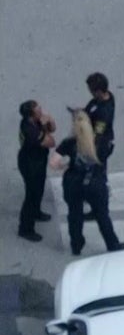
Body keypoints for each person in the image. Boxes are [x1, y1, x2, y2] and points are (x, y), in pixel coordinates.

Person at [53, 108, 124, 256]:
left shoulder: (69, 143)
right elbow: (108, 152)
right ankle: (112, 244)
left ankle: (76, 245)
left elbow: (54, 163)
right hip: (95, 183)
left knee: (74, 214)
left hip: (73, 183)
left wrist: (67, 165)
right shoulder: (101, 142)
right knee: (102, 215)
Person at [17, 100, 56, 242]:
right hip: (30, 164)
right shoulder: (30, 129)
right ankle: (25, 228)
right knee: (31, 195)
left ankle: (36, 212)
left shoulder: (35, 121)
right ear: (31, 114)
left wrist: (49, 121)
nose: (41, 109)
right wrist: (45, 127)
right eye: (37, 108)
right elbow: (51, 142)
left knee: (39, 189)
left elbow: (52, 129)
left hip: (38, 161)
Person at [85, 72, 115, 165]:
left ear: (98, 91)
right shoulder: (104, 98)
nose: (91, 93)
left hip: (100, 146)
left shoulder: (104, 112)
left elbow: (98, 133)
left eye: (92, 91)